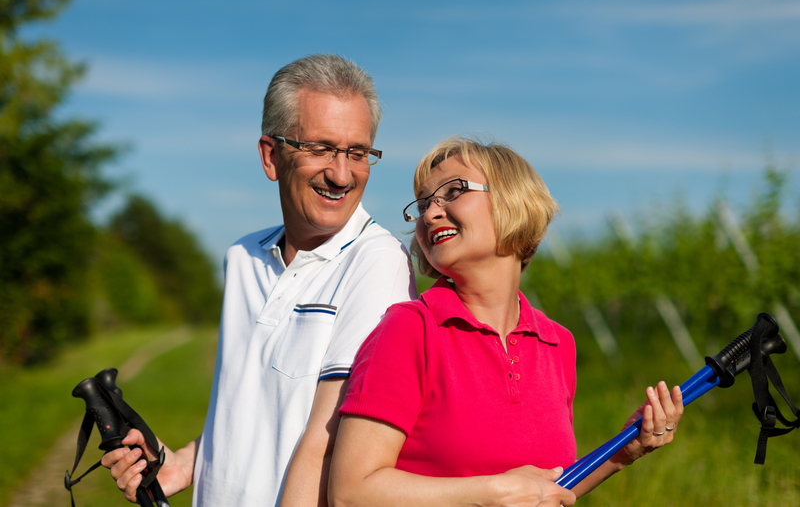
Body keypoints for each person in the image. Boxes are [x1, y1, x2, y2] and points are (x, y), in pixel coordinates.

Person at [101, 54, 417, 507]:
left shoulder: (378, 262)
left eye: (357, 152)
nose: (341, 173)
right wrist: (187, 462)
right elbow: (249, 409)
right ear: (271, 156)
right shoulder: (242, 257)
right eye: (321, 148)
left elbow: (333, 445)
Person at [329, 137, 684, 507]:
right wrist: (489, 494)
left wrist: (623, 451)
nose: (430, 213)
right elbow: (352, 492)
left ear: (513, 199)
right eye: (422, 204)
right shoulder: (410, 329)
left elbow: (543, 491)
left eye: (453, 191)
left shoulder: (557, 343)